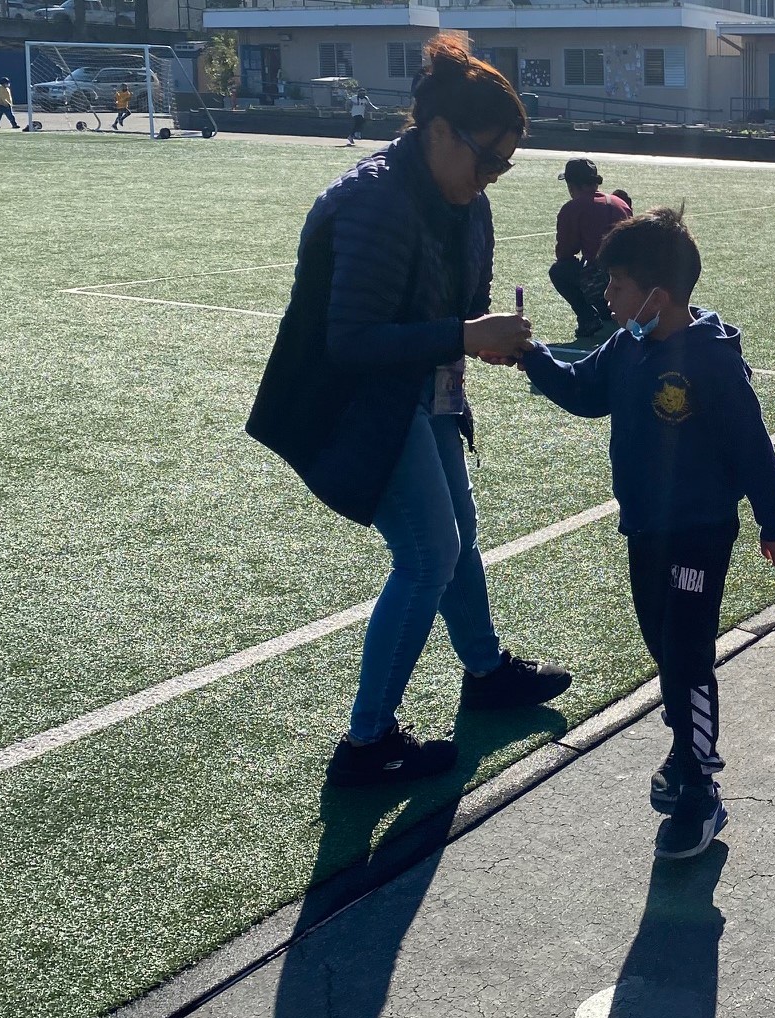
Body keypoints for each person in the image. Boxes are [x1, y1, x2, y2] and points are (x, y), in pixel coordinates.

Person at [245, 35, 571, 787]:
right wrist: (463, 335)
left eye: (503, 165)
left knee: (459, 536)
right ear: (436, 131)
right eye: (484, 158)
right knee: (428, 553)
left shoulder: (465, 202)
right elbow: (351, 342)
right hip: (355, 401)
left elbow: (460, 306)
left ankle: (486, 670)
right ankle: (367, 743)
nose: (490, 177)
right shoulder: (374, 201)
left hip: (422, 388)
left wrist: (481, 337)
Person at [518, 207, 775, 859]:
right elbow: (586, 392)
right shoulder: (628, 344)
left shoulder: (709, 361)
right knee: (662, 645)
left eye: (615, 285)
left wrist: (774, 517)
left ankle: (700, 789)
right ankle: (683, 746)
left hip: (698, 533)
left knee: (688, 653)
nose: (606, 296)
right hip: (644, 530)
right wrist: (531, 358)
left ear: (656, 296)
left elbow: (750, 443)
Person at [551, 157, 631, 344]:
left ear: (571, 186)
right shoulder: (620, 203)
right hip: (632, 278)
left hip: (601, 280)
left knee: (559, 271)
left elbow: (565, 253)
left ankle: (588, 318)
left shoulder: (574, 207)